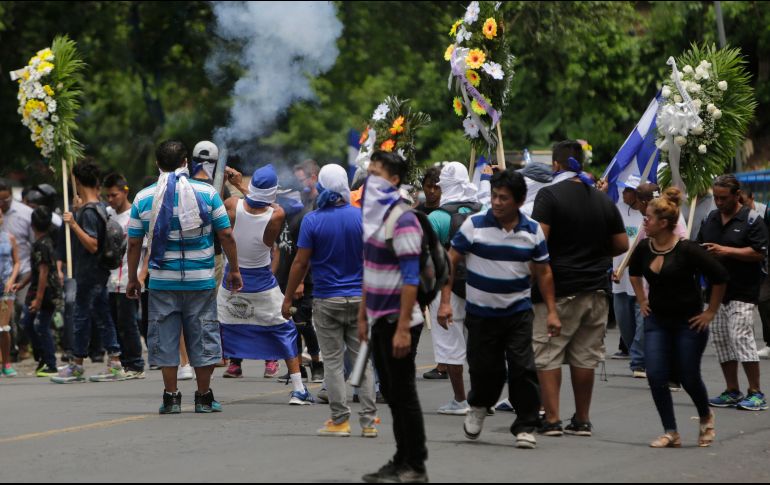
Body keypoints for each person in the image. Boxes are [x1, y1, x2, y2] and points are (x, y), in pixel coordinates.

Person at [442, 169, 560, 450]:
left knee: (523, 368)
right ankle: (479, 406)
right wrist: (445, 302)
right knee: (486, 370)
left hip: (517, 312)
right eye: (494, 196)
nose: (496, 202)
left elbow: (543, 273)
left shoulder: (532, 231)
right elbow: (451, 260)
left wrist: (553, 311)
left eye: (503, 198)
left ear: (519, 201)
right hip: (481, 314)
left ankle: (525, 425)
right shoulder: (474, 225)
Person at [126, 140, 242, 414]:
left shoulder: (143, 198)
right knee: (203, 332)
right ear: (185, 163)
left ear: (157, 164)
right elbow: (225, 235)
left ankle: (171, 396)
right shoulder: (208, 193)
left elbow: (133, 243)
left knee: (165, 335)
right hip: (200, 279)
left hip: (162, 281)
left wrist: (133, 278)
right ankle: (203, 396)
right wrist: (235, 269)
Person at [531, 140, 629, 437]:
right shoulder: (602, 200)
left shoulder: (549, 196)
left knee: (548, 354)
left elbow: (539, 242)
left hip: (557, 290)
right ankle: (582, 419)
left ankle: (552, 419)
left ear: (556, 165)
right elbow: (622, 244)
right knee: (585, 356)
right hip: (596, 290)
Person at [281, 163, 377, 436]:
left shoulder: (313, 220)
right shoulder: (363, 217)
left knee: (333, 362)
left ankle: (340, 420)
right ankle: (369, 423)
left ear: (321, 187)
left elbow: (300, 263)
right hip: (360, 298)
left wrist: (287, 298)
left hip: (327, 299)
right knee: (362, 361)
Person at [629, 187, 726, 448]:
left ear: (663, 223)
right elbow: (634, 273)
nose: (644, 221)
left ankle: (705, 416)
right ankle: (670, 431)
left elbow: (720, 277)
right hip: (657, 321)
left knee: (688, 375)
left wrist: (710, 311)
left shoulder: (688, 250)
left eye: (648, 218)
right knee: (656, 375)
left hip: (689, 322)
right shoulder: (644, 248)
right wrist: (641, 300)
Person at [216, 164, 314, 405]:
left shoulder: (231, 206)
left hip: (232, 279)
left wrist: (232, 185)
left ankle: (204, 391)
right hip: (261, 282)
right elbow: (265, 204)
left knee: (221, 328)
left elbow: (222, 207)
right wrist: (241, 185)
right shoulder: (276, 214)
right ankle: (299, 389)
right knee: (286, 330)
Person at [359, 151, 428, 483]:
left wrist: (403, 327)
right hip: (378, 321)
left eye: (377, 173)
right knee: (393, 394)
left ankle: (415, 464)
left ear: (395, 180)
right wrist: (362, 315)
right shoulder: (373, 217)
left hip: (399, 323)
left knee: (404, 394)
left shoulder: (403, 219)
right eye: (369, 172)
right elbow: (369, 271)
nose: (370, 178)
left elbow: (411, 278)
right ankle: (402, 458)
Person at [697, 174, 769, 412]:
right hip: (716, 292)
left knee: (740, 337)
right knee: (721, 340)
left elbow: (759, 253)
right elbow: (700, 246)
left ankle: (756, 392)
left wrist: (726, 251)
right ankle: (732, 390)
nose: (719, 202)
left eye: (723, 198)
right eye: (716, 197)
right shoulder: (710, 218)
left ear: (737, 195)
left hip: (743, 290)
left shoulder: (751, 219)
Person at [53, 160, 128, 384]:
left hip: (90, 272)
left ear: (77, 181)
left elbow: (93, 244)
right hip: (94, 272)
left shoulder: (88, 212)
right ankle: (104, 362)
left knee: (85, 316)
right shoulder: (98, 207)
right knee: (96, 315)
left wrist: (73, 223)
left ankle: (82, 364)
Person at [428, 162, 483, 415]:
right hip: (481, 286)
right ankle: (483, 398)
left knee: (450, 344)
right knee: (481, 344)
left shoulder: (436, 218)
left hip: (445, 289)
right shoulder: (484, 213)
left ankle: (460, 400)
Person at [103, 173, 146, 379]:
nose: (111, 200)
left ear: (125, 191)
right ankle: (119, 363)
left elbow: (147, 249)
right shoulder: (106, 214)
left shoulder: (135, 216)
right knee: (112, 321)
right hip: (109, 279)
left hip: (129, 277)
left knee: (127, 322)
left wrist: (141, 276)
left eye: (114, 195)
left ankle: (135, 365)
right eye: (108, 196)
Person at [14, 207, 61, 376]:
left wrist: (39, 299)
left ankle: (50, 363)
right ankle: (42, 357)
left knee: (41, 326)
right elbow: (35, 271)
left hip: (46, 293)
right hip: (36, 290)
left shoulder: (43, 245)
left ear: (32, 225)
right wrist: (21, 284)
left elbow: (43, 273)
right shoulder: (39, 243)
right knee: (27, 322)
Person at [610, 178, 646, 377]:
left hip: (640, 278)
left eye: (629, 190)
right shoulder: (617, 209)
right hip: (619, 277)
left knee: (642, 319)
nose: (624, 194)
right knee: (624, 322)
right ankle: (635, 352)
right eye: (623, 190)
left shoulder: (647, 212)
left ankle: (640, 360)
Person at [0, 180, 34, 363]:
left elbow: (34, 241)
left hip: (22, 270)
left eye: (5, 200)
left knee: (21, 307)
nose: (2, 205)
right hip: (1, 273)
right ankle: (9, 351)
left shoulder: (24, 213)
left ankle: (23, 345)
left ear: (10, 196)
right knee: (7, 316)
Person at [0, 207, 21, 376]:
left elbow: (17, 262)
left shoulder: (9, 238)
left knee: (3, 327)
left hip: (6, 287)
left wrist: (12, 279)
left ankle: (6, 363)